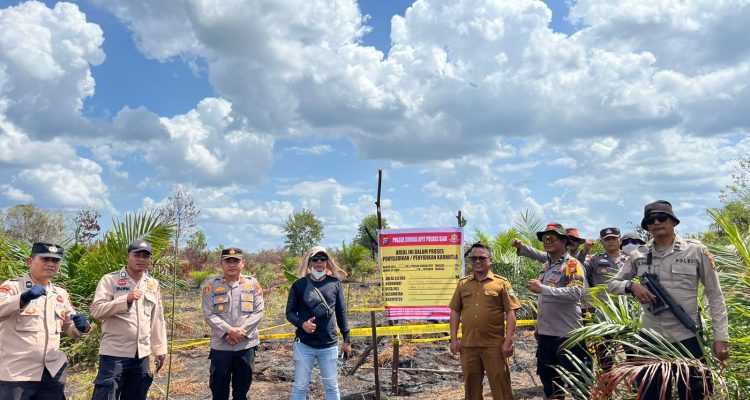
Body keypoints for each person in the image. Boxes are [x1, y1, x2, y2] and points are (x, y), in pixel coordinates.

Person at [608, 200, 729, 399]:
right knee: (649, 394)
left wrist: (721, 337)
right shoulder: (639, 254)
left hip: (687, 336)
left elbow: (715, 295)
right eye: (650, 220)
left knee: (694, 393)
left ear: (673, 221)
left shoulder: (696, 250)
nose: (656, 222)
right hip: (651, 338)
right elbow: (613, 284)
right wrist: (631, 286)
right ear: (647, 226)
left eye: (662, 217)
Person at [0, 243, 91, 400]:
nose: (51, 264)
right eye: (45, 259)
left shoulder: (60, 294)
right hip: (17, 373)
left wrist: (82, 327)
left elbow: (70, 327)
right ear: (30, 261)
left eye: (55, 260)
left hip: (52, 373)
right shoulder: (13, 287)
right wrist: (23, 298)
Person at [90, 239, 168, 400]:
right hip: (114, 354)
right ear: (127, 256)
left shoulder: (152, 284)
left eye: (145, 256)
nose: (141, 259)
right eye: (137, 255)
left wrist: (159, 348)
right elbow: (96, 311)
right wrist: (126, 300)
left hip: (142, 355)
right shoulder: (110, 280)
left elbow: (157, 318)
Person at [448, 243, 521, 400]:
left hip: (494, 346)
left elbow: (511, 312)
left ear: (490, 260)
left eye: (482, 258)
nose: (477, 261)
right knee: (471, 389)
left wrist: (508, 341)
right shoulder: (463, 284)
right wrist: (453, 339)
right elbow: (455, 311)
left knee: (501, 388)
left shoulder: (502, 283)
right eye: (473, 258)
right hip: (469, 346)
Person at [528, 223, 588, 400]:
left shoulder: (572, 264)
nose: (547, 241)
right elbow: (544, 300)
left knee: (578, 384)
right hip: (546, 335)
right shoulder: (546, 266)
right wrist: (539, 327)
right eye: (544, 238)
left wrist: (542, 288)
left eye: (552, 237)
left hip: (567, 335)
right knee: (550, 383)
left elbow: (575, 293)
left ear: (564, 241)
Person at [285, 246, 351, 400]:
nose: (319, 262)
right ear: (309, 262)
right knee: (300, 387)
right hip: (304, 345)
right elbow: (289, 312)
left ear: (327, 262)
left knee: (332, 387)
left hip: (329, 344)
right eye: (315, 259)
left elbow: (341, 312)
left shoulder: (335, 283)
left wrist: (347, 338)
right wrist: (302, 324)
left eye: (323, 258)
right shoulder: (299, 285)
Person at [201, 247, 264, 400]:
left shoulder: (252, 283)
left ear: (242, 263)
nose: (232, 265)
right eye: (227, 261)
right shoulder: (211, 286)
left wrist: (241, 332)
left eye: (236, 261)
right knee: (219, 392)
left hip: (245, 346)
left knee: (242, 392)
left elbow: (259, 311)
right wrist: (229, 331)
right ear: (221, 264)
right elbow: (208, 314)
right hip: (221, 347)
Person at [582, 227, 629, 370]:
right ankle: (607, 382)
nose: (610, 241)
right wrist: (584, 251)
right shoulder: (595, 260)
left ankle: (635, 382)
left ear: (620, 240)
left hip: (627, 313)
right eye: (607, 239)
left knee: (632, 352)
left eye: (614, 238)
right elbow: (578, 267)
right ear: (602, 242)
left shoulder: (630, 260)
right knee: (605, 355)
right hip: (604, 313)